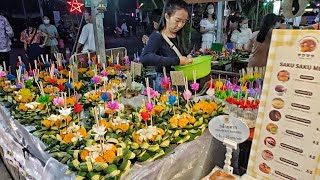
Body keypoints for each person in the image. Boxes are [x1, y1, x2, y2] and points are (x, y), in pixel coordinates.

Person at [140, 0, 192, 92]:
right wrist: (177, 60)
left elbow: (181, 54)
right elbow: (145, 57)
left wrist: (187, 58)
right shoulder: (157, 36)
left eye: (184, 22)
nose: (180, 25)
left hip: (180, 80)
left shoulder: (179, 35)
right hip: (165, 83)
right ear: (167, 16)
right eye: (177, 20)